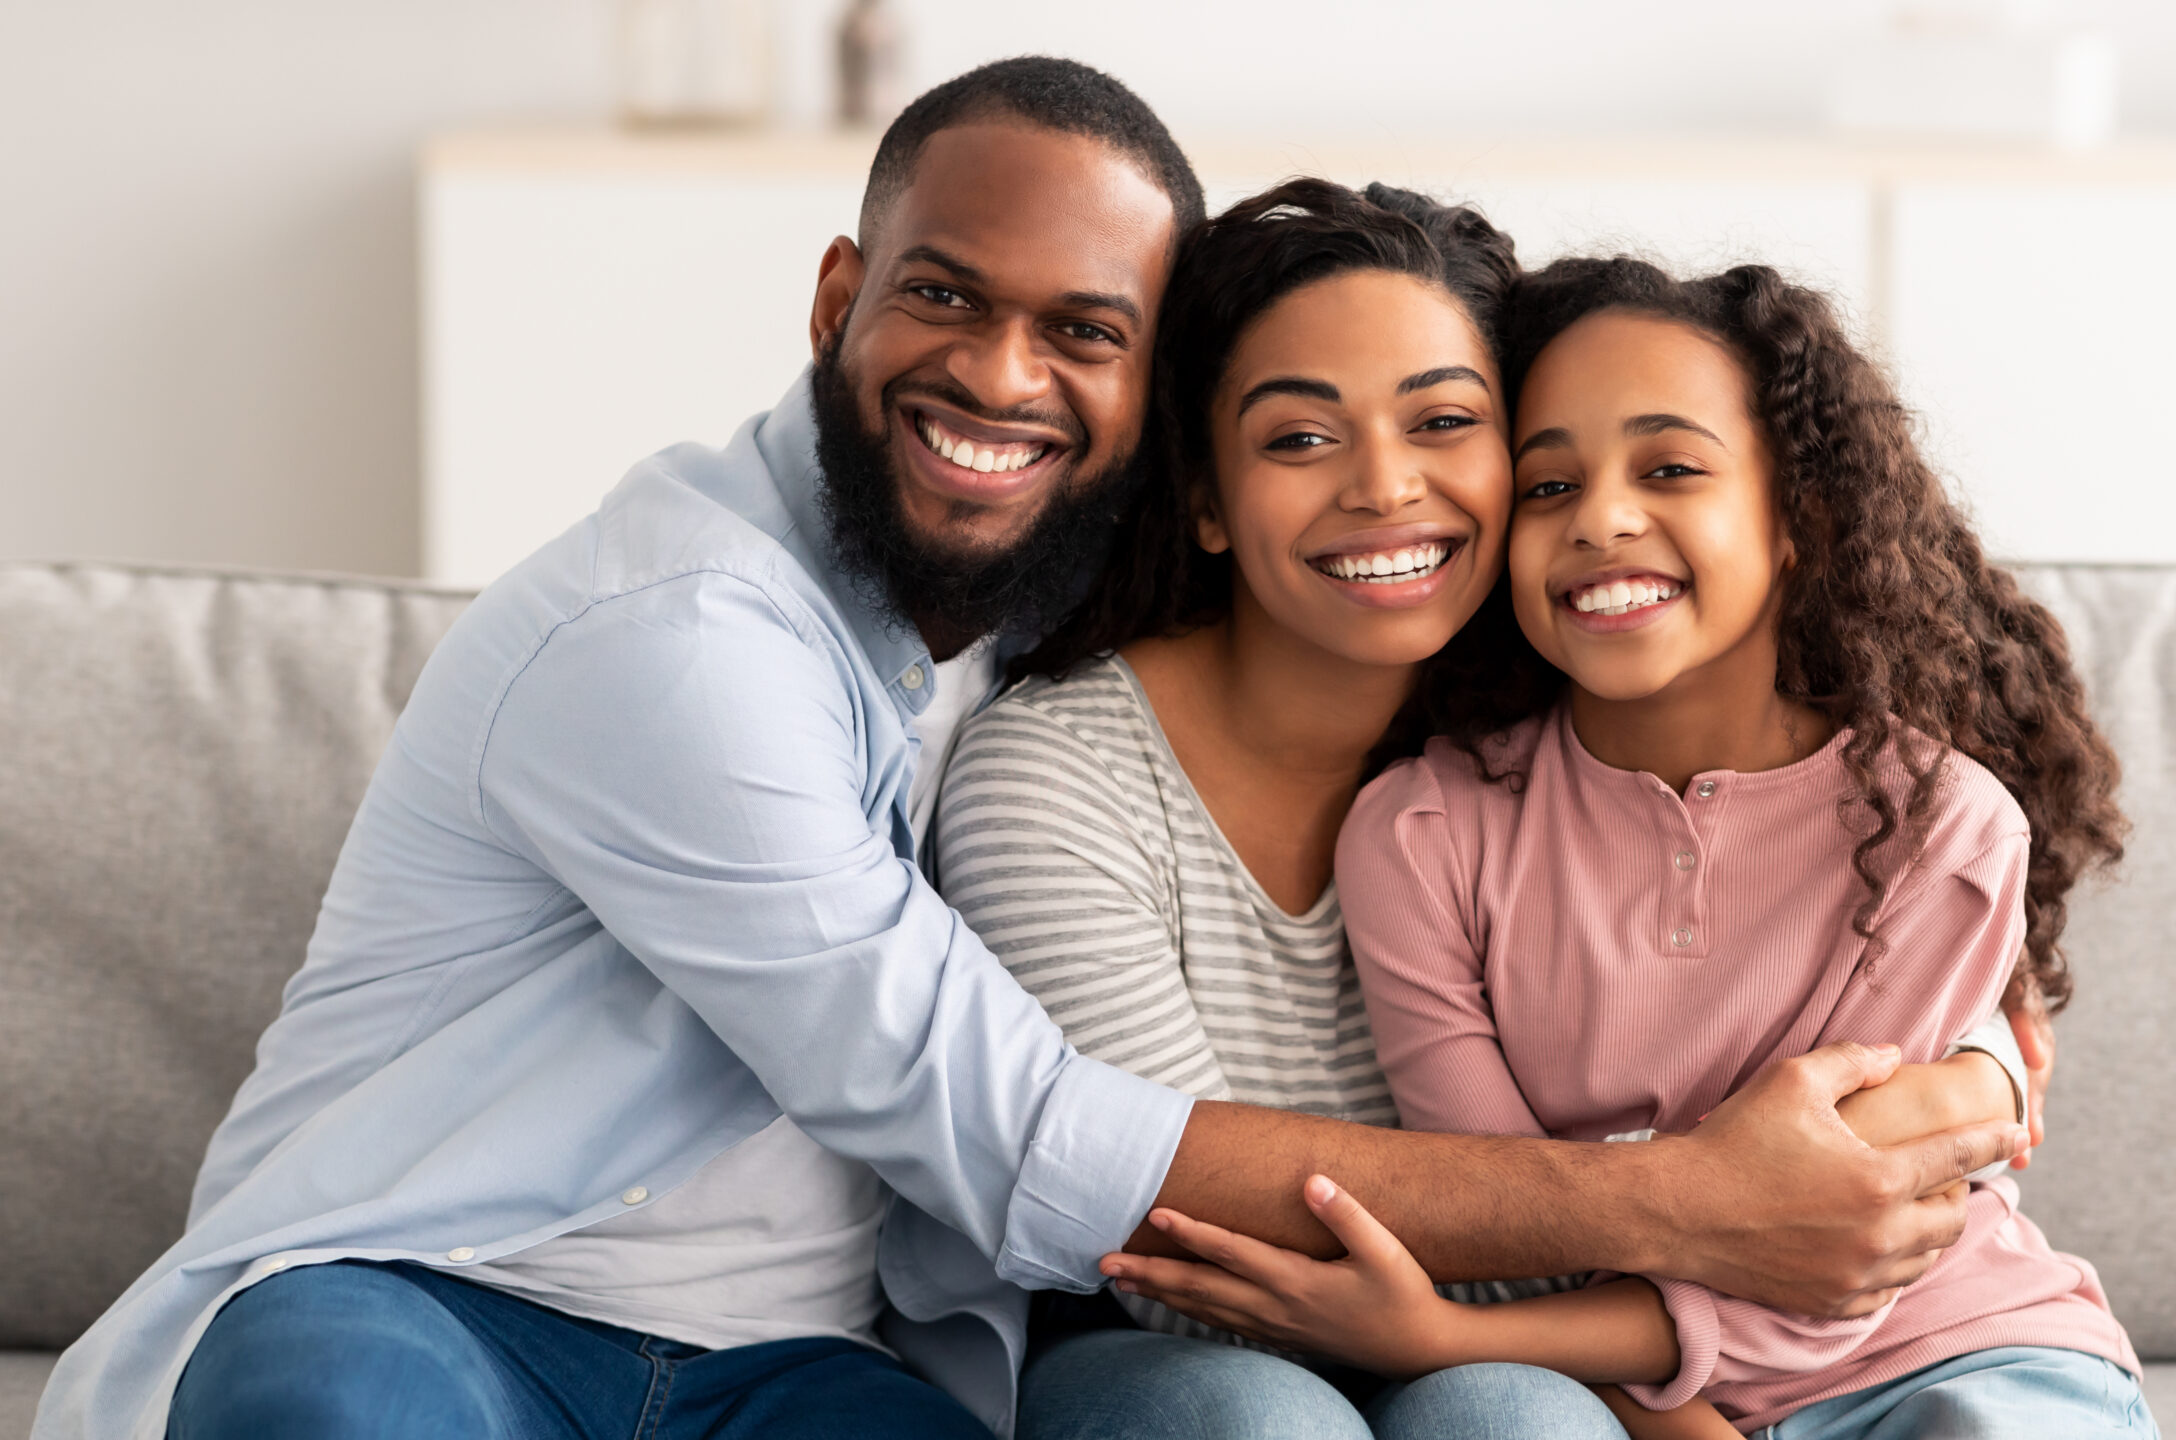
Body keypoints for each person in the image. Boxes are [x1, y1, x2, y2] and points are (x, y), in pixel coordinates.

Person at [37, 60, 2026, 1440]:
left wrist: (1987, 1057)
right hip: (429, 1289)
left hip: (782, 1371)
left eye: (1080, 331)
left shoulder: (1338, 668)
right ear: (838, 298)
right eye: (942, 300)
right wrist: (1687, 1203)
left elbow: (1880, 789)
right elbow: (1025, 1146)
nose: (1000, 377)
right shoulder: (687, 640)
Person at [938, 184, 2041, 1440]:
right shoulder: (1056, 781)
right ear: (1204, 499)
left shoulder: (1573, 713)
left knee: (1513, 1417)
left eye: (1446, 423)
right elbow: (1174, 1242)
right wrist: (1705, 1200)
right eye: (1299, 439)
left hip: (1537, 1358)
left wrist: (1983, 1061)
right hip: (1180, 1351)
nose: (1383, 487)